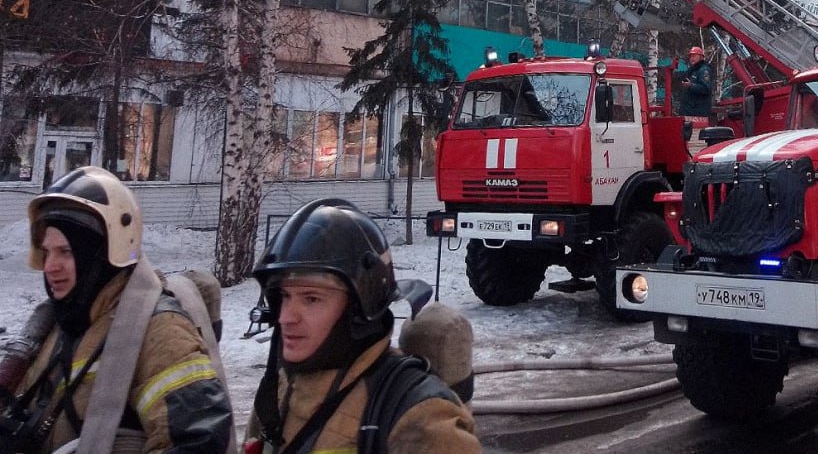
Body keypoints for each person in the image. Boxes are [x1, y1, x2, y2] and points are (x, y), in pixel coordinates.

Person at [8, 166, 233, 454]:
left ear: (104, 253)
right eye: (47, 251)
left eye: (66, 251)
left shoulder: (159, 328)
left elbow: (198, 440)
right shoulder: (62, 324)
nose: (51, 266)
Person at [245, 198, 480, 454]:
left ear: (359, 307)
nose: (286, 318)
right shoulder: (279, 391)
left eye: (311, 299)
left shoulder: (422, 418)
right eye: (284, 296)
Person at [680, 45, 714, 119]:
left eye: (694, 56)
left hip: (698, 113)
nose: (692, 58)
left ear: (701, 57)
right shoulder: (691, 71)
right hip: (690, 112)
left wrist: (691, 85)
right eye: (690, 56)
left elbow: (706, 89)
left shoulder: (704, 70)